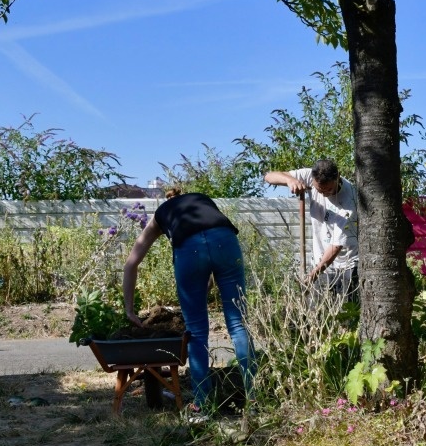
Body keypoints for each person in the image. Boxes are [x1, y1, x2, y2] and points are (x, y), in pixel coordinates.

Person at [122, 187, 255, 417]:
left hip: (189, 251)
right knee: (238, 325)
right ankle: (255, 399)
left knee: (196, 331)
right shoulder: (203, 201)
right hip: (225, 240)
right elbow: (211, 246)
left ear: (168, 200)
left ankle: (202, 405)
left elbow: (131, 263)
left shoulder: (161, 214)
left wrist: (129, 308)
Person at [264, 158, 359, 298]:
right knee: (320, 311)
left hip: (347, 266)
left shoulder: (349, 201)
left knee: (346, 312)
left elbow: (336, 246)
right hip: (321, 264)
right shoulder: (309, 175)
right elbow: (269, 177)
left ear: (337, 177)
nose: (323, 194)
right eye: (319, 190)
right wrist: (291, 180)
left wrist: (312, 276)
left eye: (328, 190)